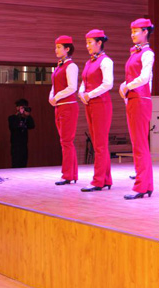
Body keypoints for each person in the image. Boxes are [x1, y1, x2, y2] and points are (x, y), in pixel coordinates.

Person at [119, 18, 155, 200]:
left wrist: (127, 86)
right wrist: (124, 86)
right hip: (133, 99)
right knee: (138, 144)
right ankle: (146, 185)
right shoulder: (134, 53)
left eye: (136, 31)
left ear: (145, 32)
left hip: (141, 99)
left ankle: (141, 185)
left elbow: (145, 77)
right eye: (131, 31)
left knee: (140, 144)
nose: (132, 34)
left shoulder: (147, 53)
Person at [79, 29, 114, 192]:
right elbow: (84, 81)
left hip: (101, 104)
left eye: (89, 42)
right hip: (90, 103)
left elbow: (108, 84)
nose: (87, 46)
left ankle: (98, 180)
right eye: (86, 43)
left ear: (99, 43)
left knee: (100, 144)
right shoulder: (89, 62)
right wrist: (82, 93)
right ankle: (106, 179)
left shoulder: (106, 61)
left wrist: (89, 94)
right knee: (97, 143)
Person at [49, 36, 78, 185]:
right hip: (59, 106)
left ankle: (67, 175)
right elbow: (54, 85)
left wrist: (57, 96)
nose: (56, 50)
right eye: (56, 47)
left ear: (67, 49)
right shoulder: (59, 66)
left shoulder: (71, 66)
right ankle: (71, 174)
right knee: (65, 141)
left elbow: (72, 87)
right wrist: (51, 96)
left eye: (59, 47)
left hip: (68, 106)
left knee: (66, 141)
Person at [9, 99, 35, 168]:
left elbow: (32, 126)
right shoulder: (12, 118)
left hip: (24, 144)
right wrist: (19, 115)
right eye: (21, 107)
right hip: (15, 145)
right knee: (16, 164)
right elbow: (13, 126)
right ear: (17, 108)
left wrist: (28, 115)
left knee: (24, 163)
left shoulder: (26, 119)